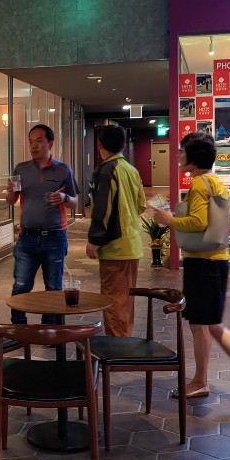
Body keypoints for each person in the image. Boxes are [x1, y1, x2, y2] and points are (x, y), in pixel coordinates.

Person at [152, 131, 230, 403]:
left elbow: (198, 222)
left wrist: (170, 219)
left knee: (203, 325)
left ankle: (209, 380)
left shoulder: (200, 183)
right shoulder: (214, 181)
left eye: (182, 151)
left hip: (202, 263)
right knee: (208, 324)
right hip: (215, 261)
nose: (178, 155)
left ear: (193, 157)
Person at [5, 124, 78, 325]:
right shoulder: (21, 169)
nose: (33, 146)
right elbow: (11, 201)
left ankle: (50, 329)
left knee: (53, 287)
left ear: (50, 143)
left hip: (55, 237)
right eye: (31, 142)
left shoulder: (63, 170)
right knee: (21, 285)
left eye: (39, 141)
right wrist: (10, 191)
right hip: (27, 238)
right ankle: (18, 328)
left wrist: (64, 197)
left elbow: (75, 202)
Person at [86, 125, 146, 337]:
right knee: (125, 301)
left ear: (99, 144)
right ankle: (124, 342)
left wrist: (94, 241)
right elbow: (141, 206)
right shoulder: (131, 170)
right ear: (123, 146)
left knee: (113, 302)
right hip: (132, 245)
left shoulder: (106, 171)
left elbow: (102, 210)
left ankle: (117, 348)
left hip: (115, 247)